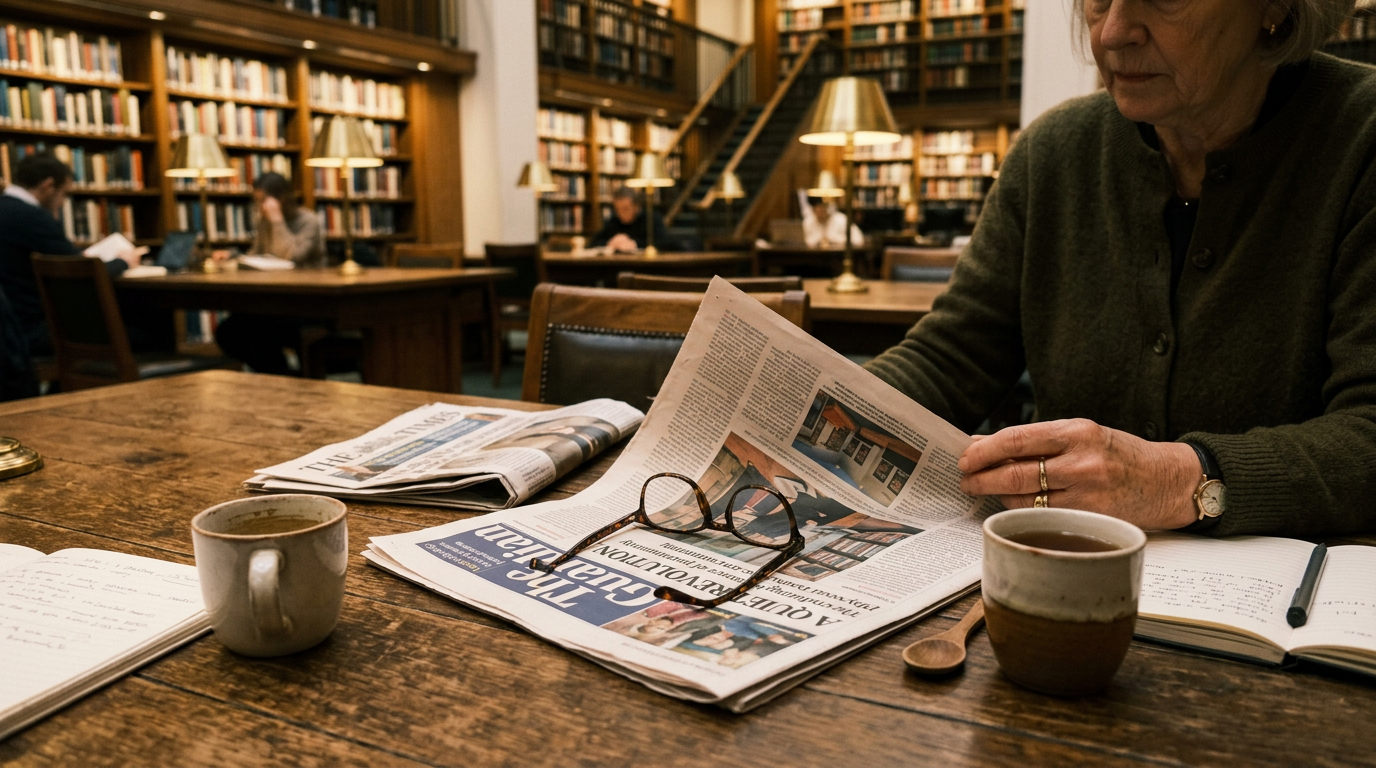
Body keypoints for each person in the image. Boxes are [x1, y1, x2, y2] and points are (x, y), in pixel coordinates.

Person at [862, 0, 1376, 537]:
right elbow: (952, 357)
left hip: (1297, 600)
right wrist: (799, 417)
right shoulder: (1052, 154)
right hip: (1066, 576)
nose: (1112, 33)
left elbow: (1367, 432)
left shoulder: (1360, 139)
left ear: (1274, 7)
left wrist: (1177, 479)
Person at [0, 153, 142, 359]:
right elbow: (83, 273)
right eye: (64, 194)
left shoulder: (6, 208)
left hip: (11, 327)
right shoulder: (32, 216)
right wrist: (123, 262)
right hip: (33, 329)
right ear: (48, 186)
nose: (62, 202)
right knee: (149, 331)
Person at [212, 172, 325, 375]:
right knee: (230, 330)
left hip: (306, 301)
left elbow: (292, 256)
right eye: (257, 202)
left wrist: (277, 220)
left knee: (261, 328)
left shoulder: (308, 221)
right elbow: (257, 254)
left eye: (263, 201)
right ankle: (280, 373)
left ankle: (286, 376)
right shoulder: (264, 223)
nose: (261, 207)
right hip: (275, 299)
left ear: (281, 198)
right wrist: (233, 255)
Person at [590, 187, 670, 252]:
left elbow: (663, 243)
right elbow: (593, 243)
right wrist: (610, 243)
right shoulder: (614, 221)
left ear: (636, 206)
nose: (620, 213)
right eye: (617, 209)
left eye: (625, 209)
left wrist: (635, 244)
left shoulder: (651, 219)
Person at [797, 189, 862, 248]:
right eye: (816, 208)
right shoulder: (808, 222)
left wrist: (834, 239)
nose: (820, 211)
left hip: (839, 256)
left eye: (822, 207)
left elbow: (858, 239)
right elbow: (807, 242)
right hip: (815, 257)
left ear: (827, 207)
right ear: (812, 209)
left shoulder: (841, 219)